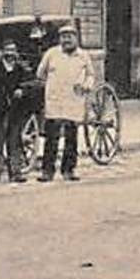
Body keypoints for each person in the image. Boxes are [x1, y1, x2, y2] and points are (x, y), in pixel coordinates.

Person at [36, 21, 96, 182]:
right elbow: (40, 74)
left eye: (69, 37)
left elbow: (91, 75)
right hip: (54, 100)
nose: (66, 40)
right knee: (51, 138)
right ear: (59, 39)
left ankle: (68, 169)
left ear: (76, 39)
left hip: (73, 100)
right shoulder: (51, 54)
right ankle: (47, 171)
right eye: (63, 37)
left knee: (71, 138)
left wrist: (86, 85)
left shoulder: (83, 56)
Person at [0, 38, 37, 184]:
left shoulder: (20, 69)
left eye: (13, 51)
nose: (10, 54)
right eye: (8, 51)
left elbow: (28, 83)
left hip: (15, 111)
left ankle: (15, 172)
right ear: (3, 53)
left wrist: (21, 90)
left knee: (15, 141)